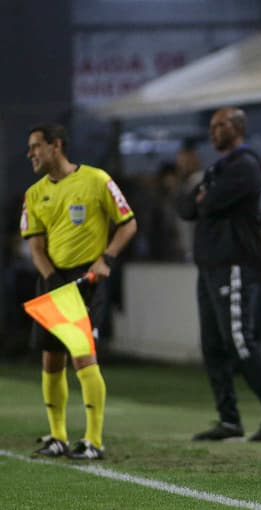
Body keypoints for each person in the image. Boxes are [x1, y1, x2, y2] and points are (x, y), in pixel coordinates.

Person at [20, 123, 137, 459]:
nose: (30, 154)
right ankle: (57, 436)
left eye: (35, 146)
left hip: (88, 279)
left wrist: (107, 259)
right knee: (51, 360)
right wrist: (52, 282)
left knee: (83, 357)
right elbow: (37, 248)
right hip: (54, 280)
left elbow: (128, 223)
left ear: (56, 145)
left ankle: (93, 440)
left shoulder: (97, 180)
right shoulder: (34, 194)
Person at [176, 107, 261, 442]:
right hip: (209, 266)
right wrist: (201, 197)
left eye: (220, 125)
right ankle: (229, 419)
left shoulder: (245, 165)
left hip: (235, 264)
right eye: (211, 125)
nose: (213, 131)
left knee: (240, 341)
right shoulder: (217, 167)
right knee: (212, 345)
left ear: (238, 127)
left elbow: (208, 203)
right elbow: (186, 208)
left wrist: (203, 197)